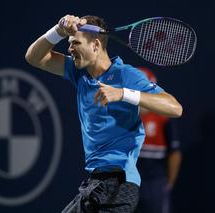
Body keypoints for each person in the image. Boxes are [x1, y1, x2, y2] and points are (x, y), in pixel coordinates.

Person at [25, 14, 183, 213]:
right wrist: (58, 31)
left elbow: (175, 108)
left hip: (119, 182)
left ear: (96, 45)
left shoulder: (126, 74)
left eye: (75, 43)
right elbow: (34, 57)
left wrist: (123, 93)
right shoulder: (78, 72)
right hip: (94, 182)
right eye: (69, 43)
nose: (70, 48)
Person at [136, 67, 182, 213]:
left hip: (155, 181)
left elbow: (175, 153)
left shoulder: (163, 116)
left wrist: (168, 183)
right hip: (129, 180)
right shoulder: (121, 115)